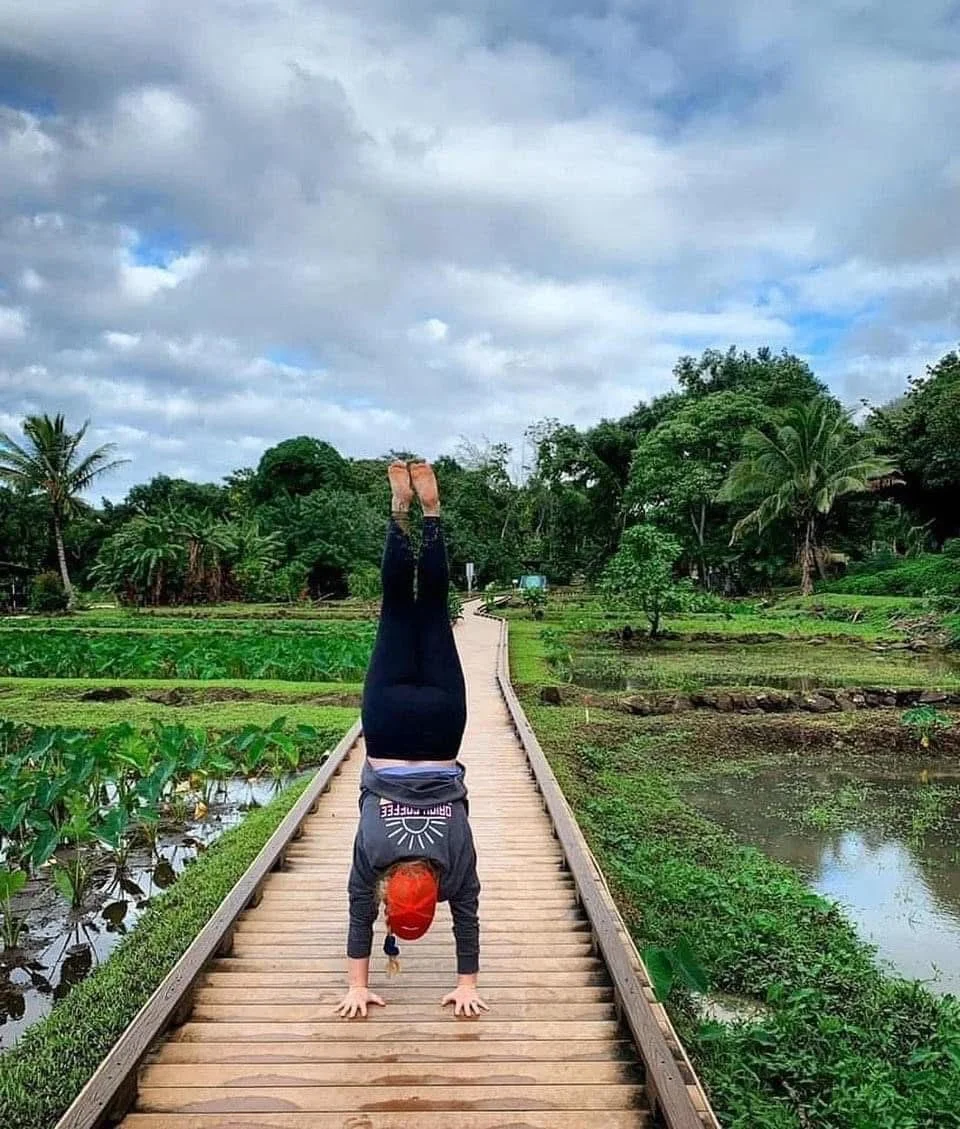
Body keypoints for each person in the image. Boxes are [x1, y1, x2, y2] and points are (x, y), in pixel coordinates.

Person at [336, 460, 487, 1019]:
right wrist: (356, 984)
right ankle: (400, 509)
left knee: (433, 612)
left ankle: (430, 512)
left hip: (443, 727)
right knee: (399, 610)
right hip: (387, 723)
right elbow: (357, 911)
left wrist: (467, 983)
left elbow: (468, 914)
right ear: (389, 893)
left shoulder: (454, 866)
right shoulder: (373, 856)